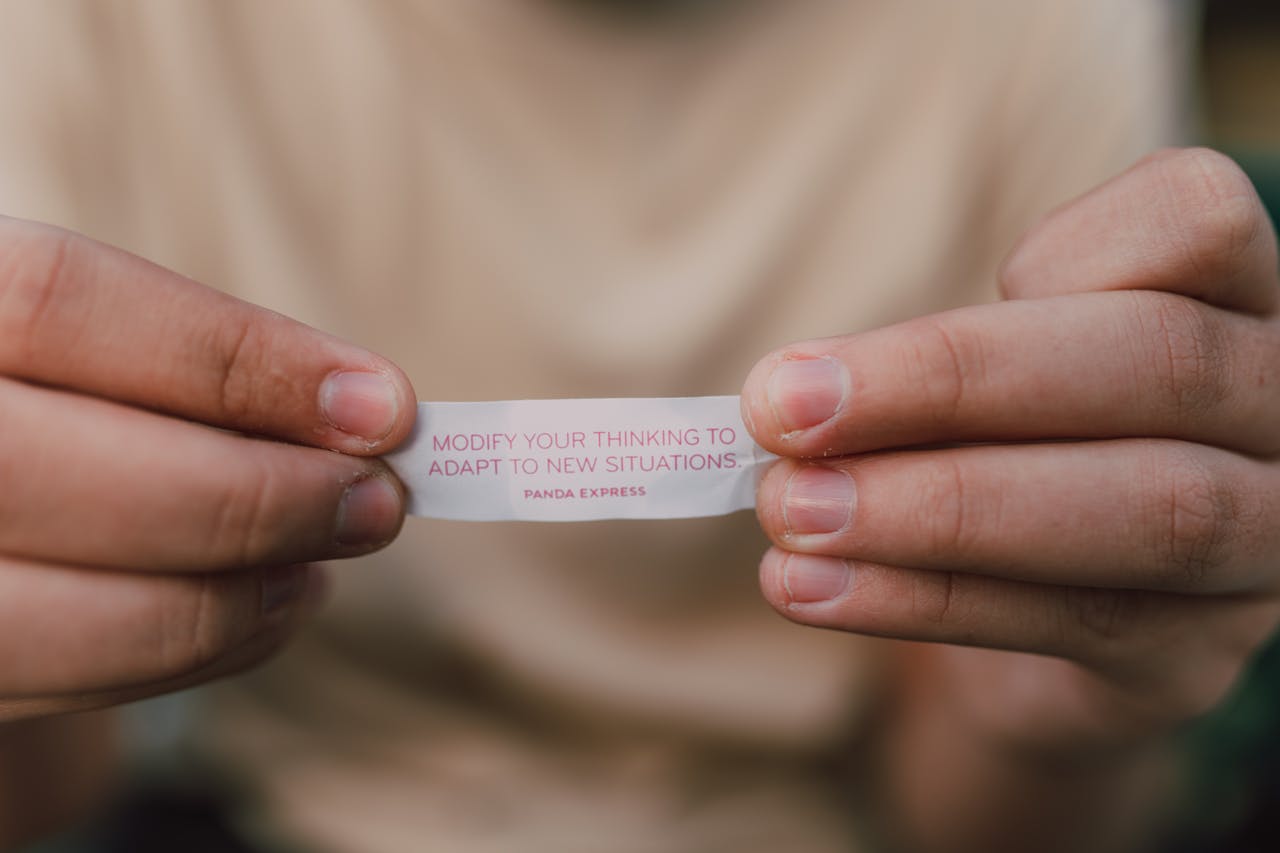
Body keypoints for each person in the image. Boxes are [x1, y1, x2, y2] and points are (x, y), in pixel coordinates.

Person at [0, 1, 1276, 851]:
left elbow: (986, 788)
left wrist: (1057, 692)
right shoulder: (100, 27)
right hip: (271, 813)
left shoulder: (1048, 29)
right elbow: (54, 776)